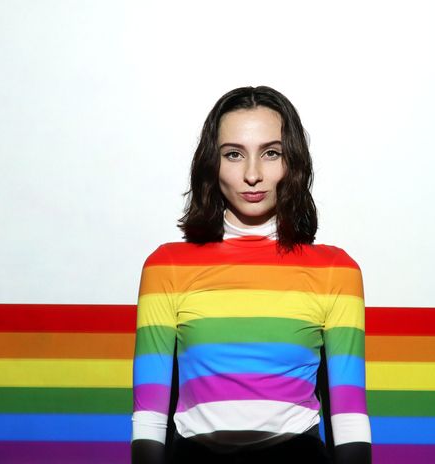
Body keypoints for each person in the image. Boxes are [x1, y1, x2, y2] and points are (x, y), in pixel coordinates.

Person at [131, 86, 371, 464]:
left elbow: (350, 417)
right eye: (234, 154)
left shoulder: (335, 271)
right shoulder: (167, 266)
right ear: (212, 164)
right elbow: (148, 418)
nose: (253, 174)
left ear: (293, 163)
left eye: (271, 153)